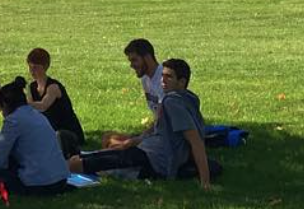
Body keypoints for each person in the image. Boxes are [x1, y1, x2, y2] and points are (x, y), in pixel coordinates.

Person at [69, 58, 212, 188]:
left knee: (107, 161)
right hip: (150, 150)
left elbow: (196, 141)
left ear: (181, 82)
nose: (163, 80)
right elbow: (157, 128)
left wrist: (205, 181)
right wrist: (134, 140)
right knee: (114, 153)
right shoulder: (188, 97)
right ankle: (78, 157)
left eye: (169, 77)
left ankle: (75, 161)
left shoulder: (173, 103)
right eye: (162, 75)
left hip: (156, 158)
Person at [0, 77, 70, 195]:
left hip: (38, 184)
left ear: (5, 105)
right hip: (61, 180)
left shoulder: (13, 121)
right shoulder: (38, 115)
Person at [102, 38, 162, 148]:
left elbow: (163, 122)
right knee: (108, 137)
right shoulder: (145, 79)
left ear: (147, 58)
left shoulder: (163, 80)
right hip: (154, 133)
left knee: (115, 145)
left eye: (134, 60)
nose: (131, 65)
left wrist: (135, 140)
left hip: (162, 138)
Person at [24, 47, 84, 157]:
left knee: (58, 136)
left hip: (67, 132)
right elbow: (30, 111)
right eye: (30, 67)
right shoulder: (31, 87)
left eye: (36, 67)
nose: (32, 71)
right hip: (49, 132)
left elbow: (43, 106)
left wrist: (22, 103)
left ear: (45, 67)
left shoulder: (53, 87)